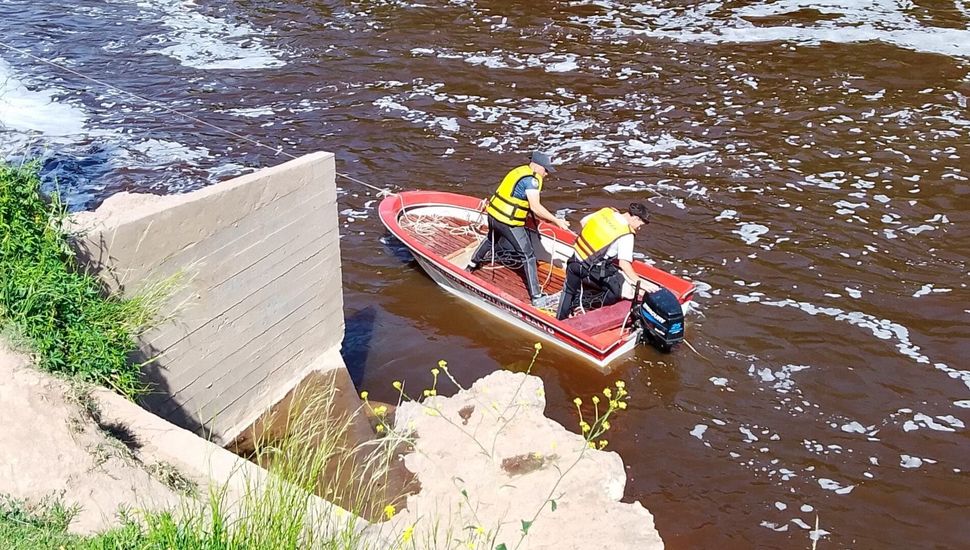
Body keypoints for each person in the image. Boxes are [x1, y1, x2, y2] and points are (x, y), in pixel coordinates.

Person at [466, 151, 570, 307]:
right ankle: (536, 297)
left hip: (493, 215)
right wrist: (556, 221)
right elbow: (535, 207)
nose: (547, 173)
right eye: (546, 170)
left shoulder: (519, 171)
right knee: (528, 256)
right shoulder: (532, 180)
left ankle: (471, 265)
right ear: (537, 166)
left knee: (491, 239)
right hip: (509, 221)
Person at [555, 203, 660, 320]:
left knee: (568, 291)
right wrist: (640, 282)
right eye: (640, 225)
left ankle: (559, 320)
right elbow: (624, 264)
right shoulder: (626, 235)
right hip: (589, 270)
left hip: (574, 260)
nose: (639, 228)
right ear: (635, 218)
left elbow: (583, 222)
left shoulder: (607, 211)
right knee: (615, 290)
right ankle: (587, 308)